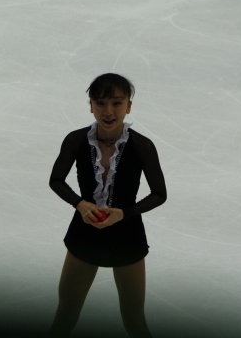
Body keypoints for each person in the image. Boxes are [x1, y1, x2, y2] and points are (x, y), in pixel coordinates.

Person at [47, 73, 167, 338]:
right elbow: (56, 180)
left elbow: (159, 194)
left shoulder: (142, 146)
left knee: (135, 322)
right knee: (65, 316)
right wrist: (80, 204)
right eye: (100, 103)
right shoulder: (76, 140)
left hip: (127, 235)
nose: (108, 111)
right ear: (91, 106)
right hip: (84, 231)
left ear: (128, 106)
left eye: (116, 103)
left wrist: (125, 213)